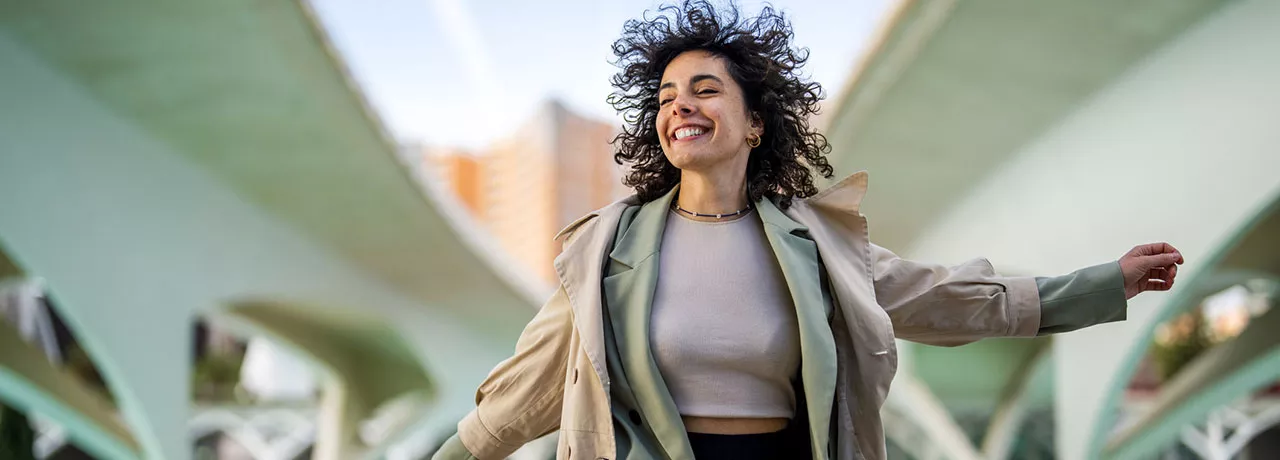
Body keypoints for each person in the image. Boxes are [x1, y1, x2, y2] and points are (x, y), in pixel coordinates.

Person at [434, 1, 1184, 459]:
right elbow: (523, 393)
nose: (680, 106)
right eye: (665, 97)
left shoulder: (815, 242)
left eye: (705, 90)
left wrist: (1102, 283)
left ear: (756, 123)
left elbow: (947, 298)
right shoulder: (604, 250)